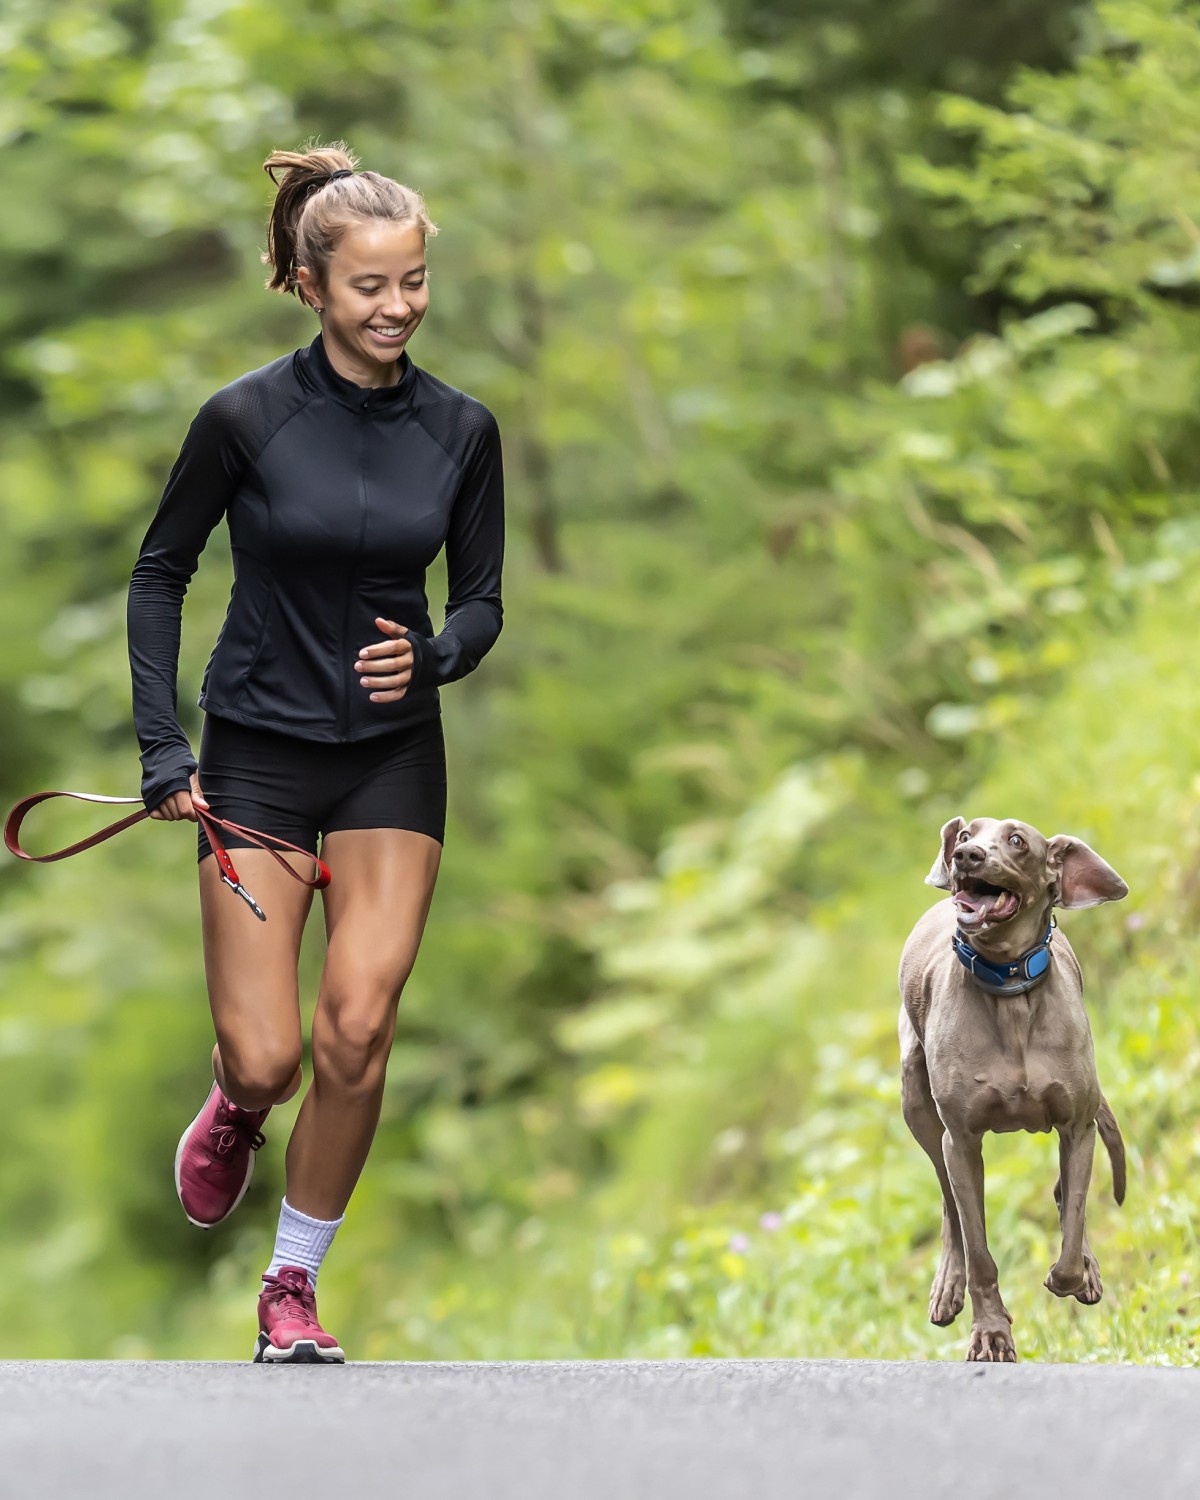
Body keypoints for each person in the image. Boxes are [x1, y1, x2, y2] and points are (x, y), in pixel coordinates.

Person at [126, 142, 504, 1363]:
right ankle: (236, 1104)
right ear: (308, 282)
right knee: (273, 1053)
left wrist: (438, 654)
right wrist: (160, 745)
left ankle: (292, 1283)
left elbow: (483, 601)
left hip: (393, 759)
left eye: (414, 284)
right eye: (370, 288)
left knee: (357, 1028)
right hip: (255, 760)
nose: (397, 308)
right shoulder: (243, 418)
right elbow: (160, 572)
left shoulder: (462, 430)